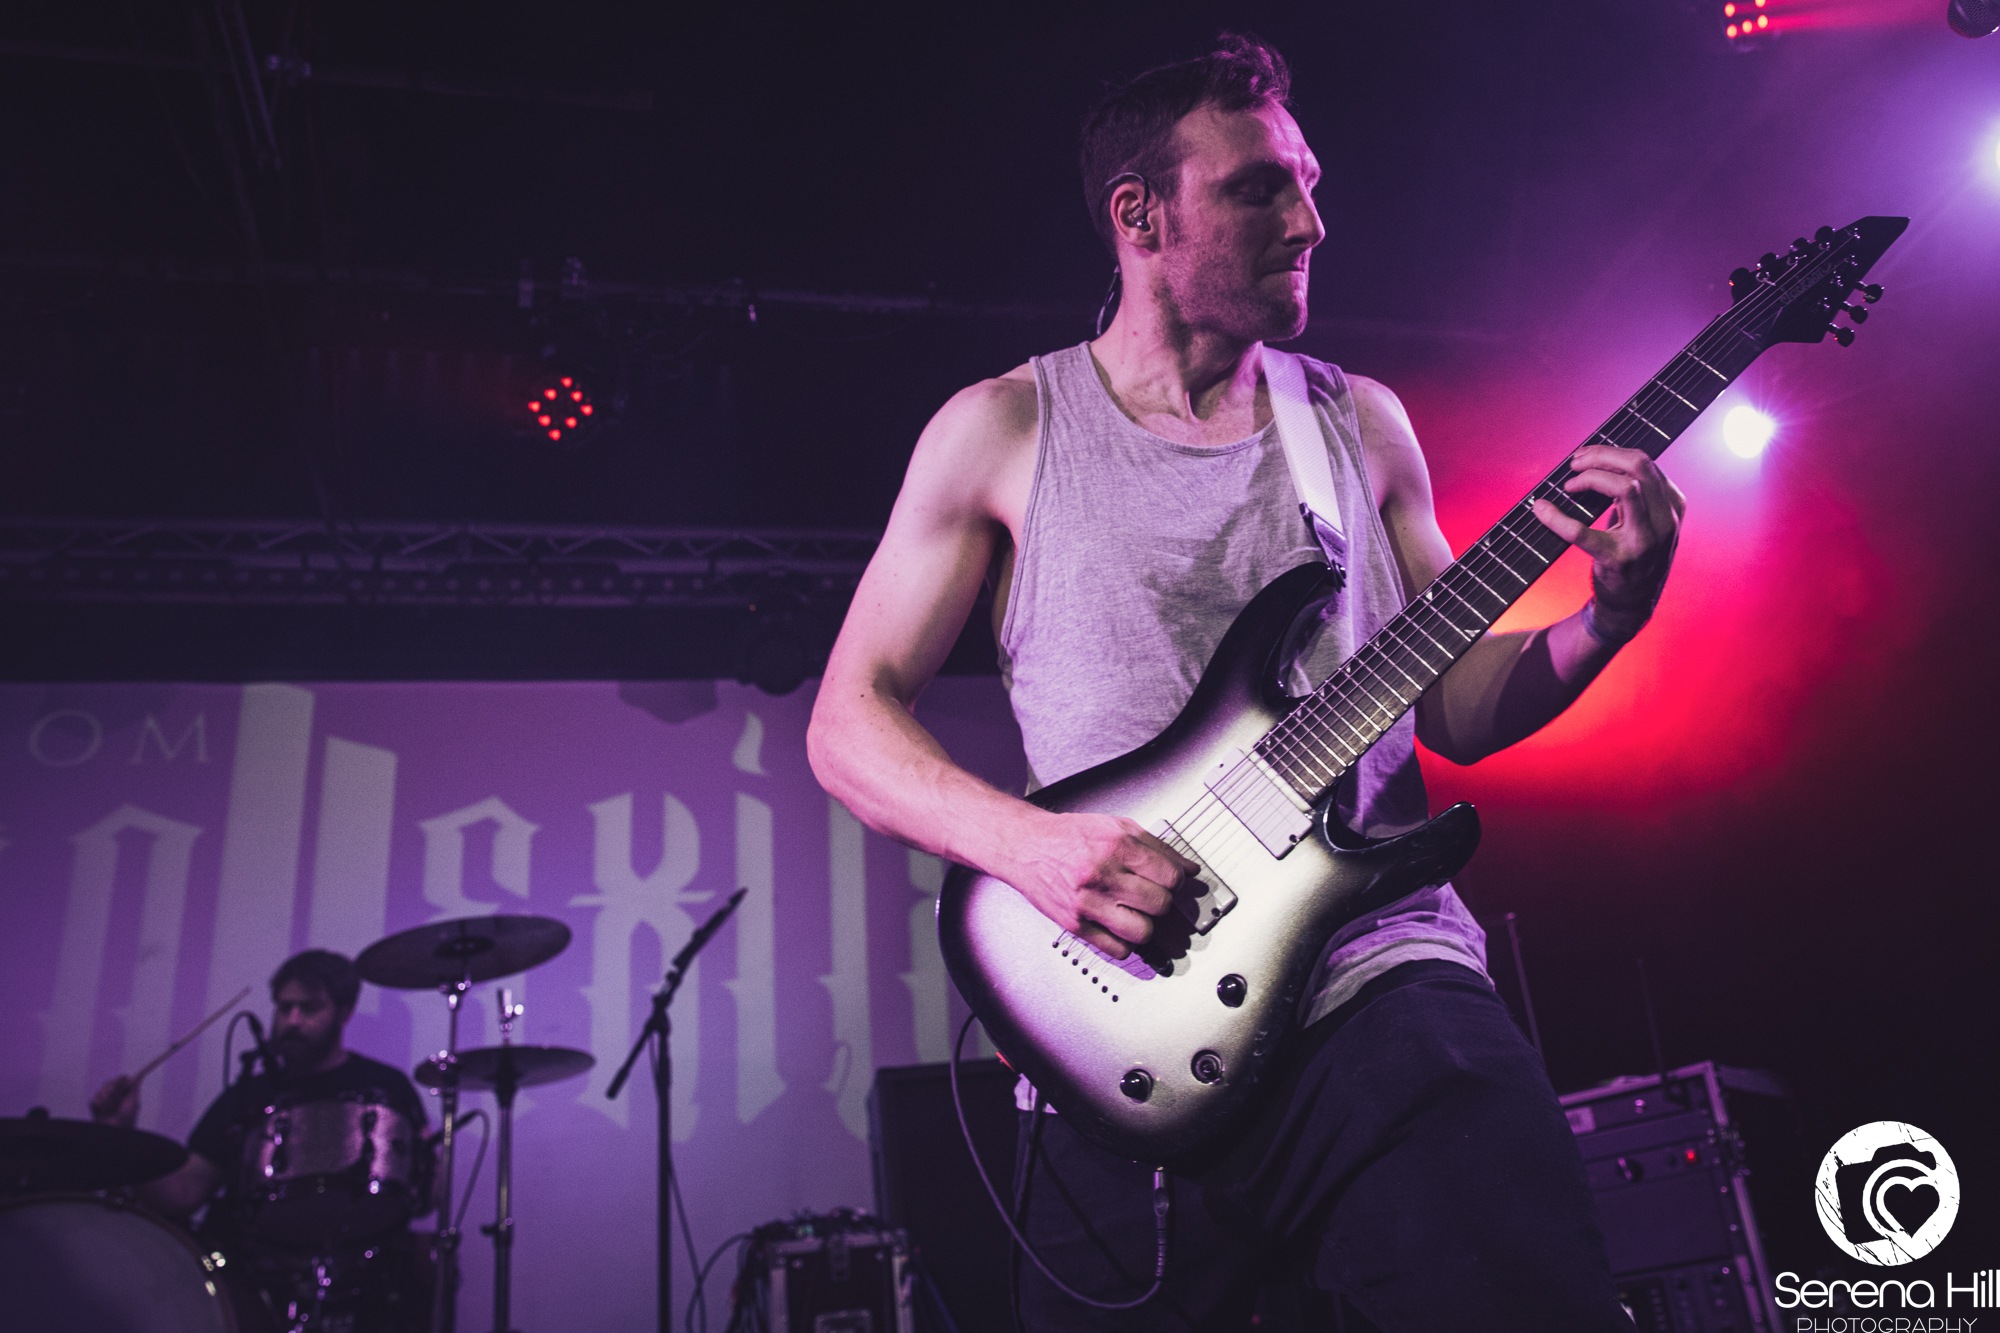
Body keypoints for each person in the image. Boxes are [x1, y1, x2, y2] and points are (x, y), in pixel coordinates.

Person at [806, 33, 1682, 1332]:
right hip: (1117, 1028)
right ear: (1139, 217)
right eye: (1260, 187)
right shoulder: (1001, 429)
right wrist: (1032, 849)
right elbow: (847, 723)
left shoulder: (1360, 423)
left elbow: (1450, 705)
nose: (1310, 221)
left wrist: (1606, 619)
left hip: (1379, 982)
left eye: (1309, 183)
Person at [92, 949, 433, 1330]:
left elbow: (422, 1198)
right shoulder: (247, 1095)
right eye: (284, 1008)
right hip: (257, 1286)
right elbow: (183, 1194)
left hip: (367, 1284)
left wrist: (438, 1161)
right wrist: (120, 1132)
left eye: (309, 1008)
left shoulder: (385, 1086)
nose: (293, 1021)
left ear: (344, 1012)